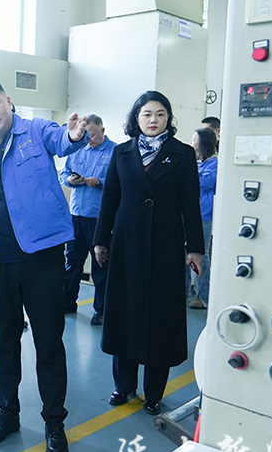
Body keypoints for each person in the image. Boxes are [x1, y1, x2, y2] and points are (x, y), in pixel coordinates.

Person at [0, 78, 87, 452]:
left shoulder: (35, 131)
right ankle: (7, 413)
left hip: (42, 257)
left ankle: (54, 421)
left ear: (9, 101)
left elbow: (62, 140)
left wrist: (75, 135)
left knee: (48, 342)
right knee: (4, 343)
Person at [94, 91, 204, 416]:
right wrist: (100, 241)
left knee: (161, 321)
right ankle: (123, 385)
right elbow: (110, 199)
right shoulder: (121, 152)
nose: (153, 120)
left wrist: (195, 249)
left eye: (160, 114)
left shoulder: (183, 154)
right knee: (124, 315)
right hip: (127, 246)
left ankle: (154, 393)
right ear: (136, 118)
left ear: (168, 118)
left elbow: (191, 205)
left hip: (166, 248)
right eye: (147, 114)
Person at [60, 114, 116, 325]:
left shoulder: (115, 152)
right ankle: (67, 302)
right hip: (76, 215)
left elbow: (121, 183)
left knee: (101, 265)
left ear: (103, 130)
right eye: (85, 135)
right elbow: (63, 174)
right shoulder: (77, 149)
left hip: (100, 218)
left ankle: (101, 310)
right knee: (72, 261)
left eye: (92, 135)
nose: (88, 139)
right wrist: (70, 180)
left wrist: (99, 182)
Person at [188, 127, 218, 309]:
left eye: (194, 140)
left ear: (203, 143)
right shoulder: (199, 164)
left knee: (202, 255)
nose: (191, 143)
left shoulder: (215, 163)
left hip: (205, 216)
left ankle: (204, 296)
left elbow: (204, 183)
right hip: (191, 215)